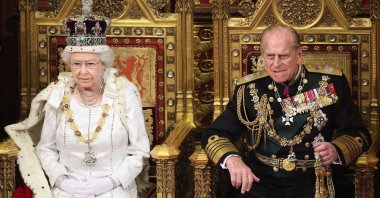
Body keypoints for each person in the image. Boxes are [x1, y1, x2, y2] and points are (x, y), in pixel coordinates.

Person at [201, 24, 372, 198]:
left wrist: (336, 150)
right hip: (260, 181)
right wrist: (232, 159)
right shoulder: (248, 89)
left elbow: (358, 133)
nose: (276, 64)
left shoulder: (329, 84)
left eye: (283, 56)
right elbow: (215, 134)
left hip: (314, 179)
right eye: (270, 56)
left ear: (299, 55)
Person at [5, 1, 150, 198]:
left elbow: (139, 151)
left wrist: (110, 182)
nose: (82, 72)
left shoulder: (125, 92)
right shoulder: (58, 93)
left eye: (90, 64)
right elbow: (45, 148)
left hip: (116, 187)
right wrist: (62, 180)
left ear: (104, 63)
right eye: (76, 64)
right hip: (66, 188)